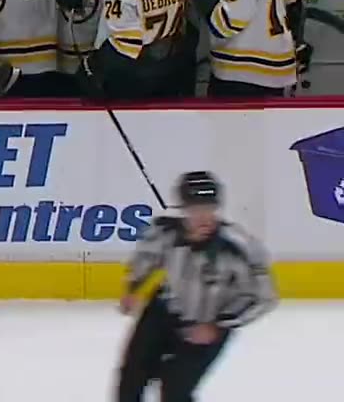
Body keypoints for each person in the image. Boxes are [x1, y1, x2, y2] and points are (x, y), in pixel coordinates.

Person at [118, 171, 277, 402]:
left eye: (209, 209)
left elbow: (264, 296)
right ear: (183, 209)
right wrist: (133, 288)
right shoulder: (165, 232)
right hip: (163, 313)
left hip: (209, 321)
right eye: (195, 210)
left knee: (175, 391)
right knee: (131, 380)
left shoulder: (237, 247)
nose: (203, 217)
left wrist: (219, 324)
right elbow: (147, 257)